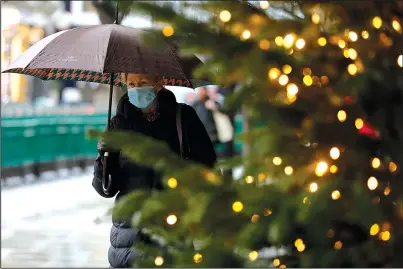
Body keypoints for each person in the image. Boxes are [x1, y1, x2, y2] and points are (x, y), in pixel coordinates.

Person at [92, 73, 217, 268]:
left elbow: (207, 165)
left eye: (143, 83)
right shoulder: (118, 124)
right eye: (131, 84)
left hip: (171, 222)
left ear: (159, 83)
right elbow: (104, 189)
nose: (136, 89)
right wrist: (104, 157)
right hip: (128, 234)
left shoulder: (183, 117)